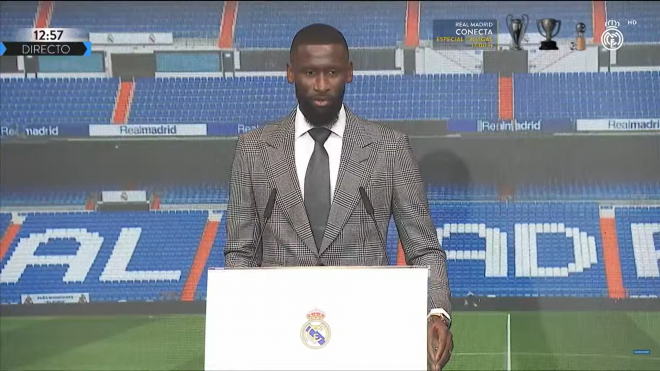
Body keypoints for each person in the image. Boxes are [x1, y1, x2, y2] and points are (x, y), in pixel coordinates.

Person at [224, 23, 453, 371]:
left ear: (349, 73)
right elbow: (240, 253)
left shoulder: (389, 148)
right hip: (280, 342)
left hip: (369, 339)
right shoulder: (253, 150)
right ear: (290, 73)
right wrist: (238, 324)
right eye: (309, 72)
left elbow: (423, 248)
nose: (320, 85)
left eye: (331, 72)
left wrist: (436, 312)